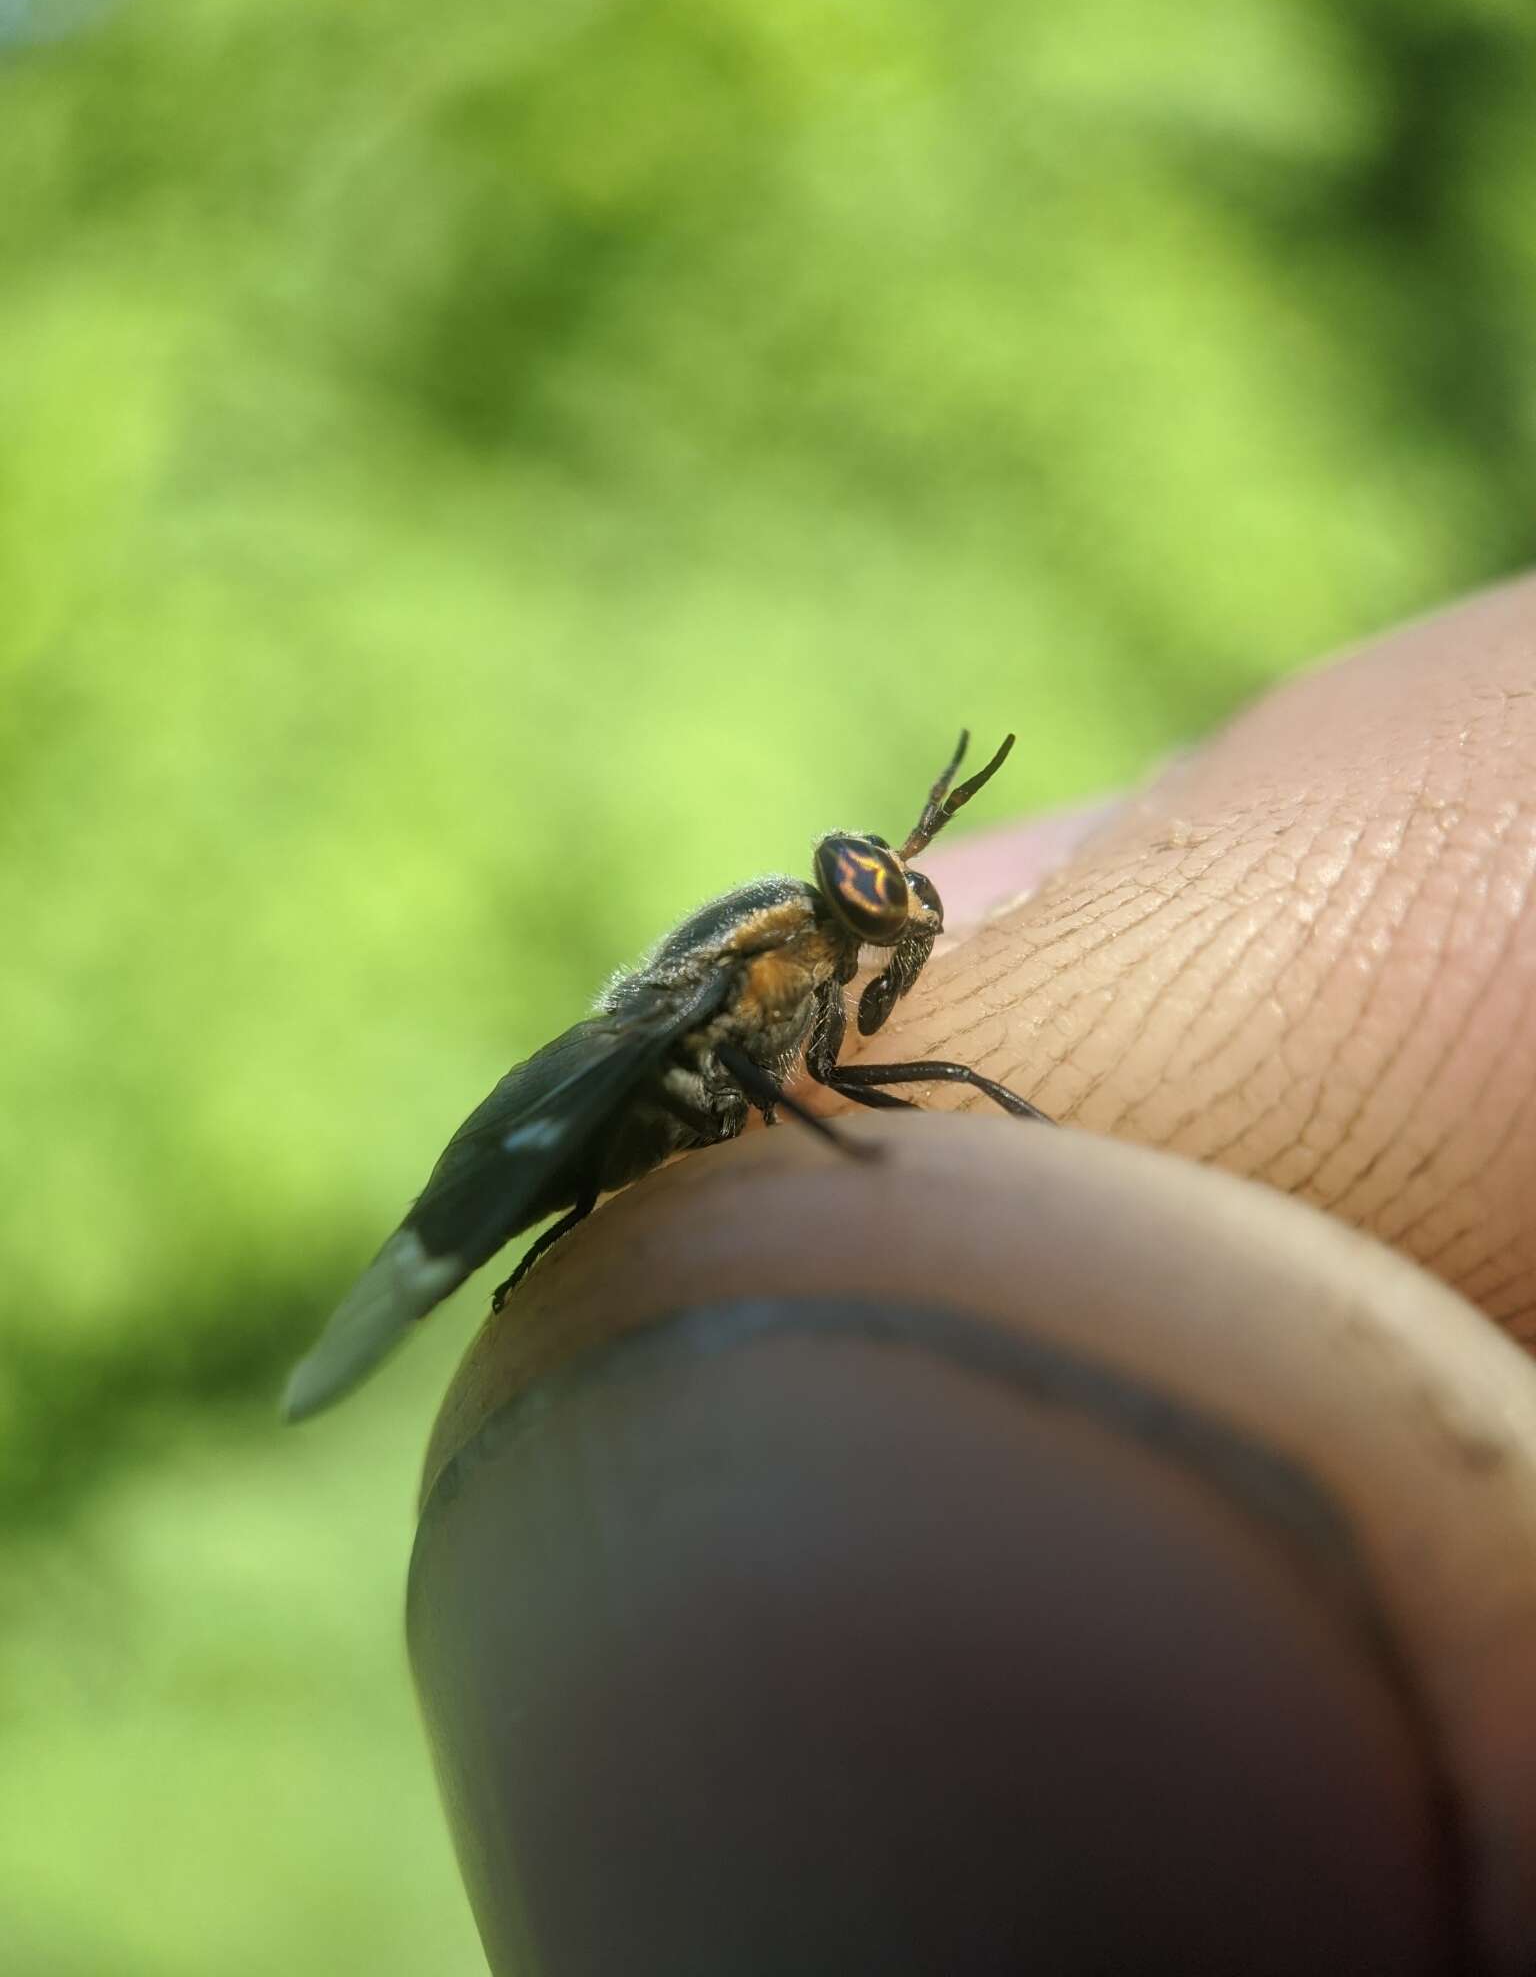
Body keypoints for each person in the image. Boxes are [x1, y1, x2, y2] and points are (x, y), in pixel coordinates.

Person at [409, 578, 1536, 1975]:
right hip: (618, 1116)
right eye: (876, 890)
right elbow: (703, 1081)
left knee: (951, 1070)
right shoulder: (746, 985)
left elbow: (816, 1070)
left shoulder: (812, 978)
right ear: (817, 918)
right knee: (867, 1090)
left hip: (701, 1124)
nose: (897, 908)